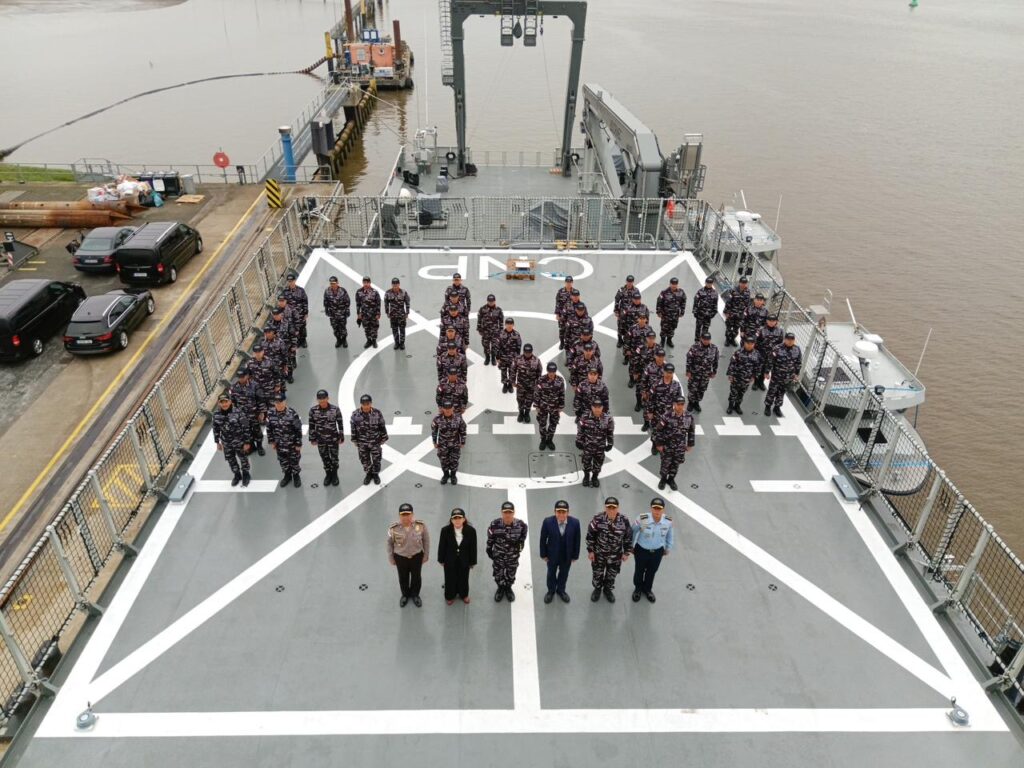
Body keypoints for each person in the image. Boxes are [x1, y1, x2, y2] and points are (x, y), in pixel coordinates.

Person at [586, 497, 633, 602]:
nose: (611, 510)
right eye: (609, 508)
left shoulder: (624, 520)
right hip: (599, 554)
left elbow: (628, 537)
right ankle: (597, 589)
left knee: (612, 574)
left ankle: (607, 589)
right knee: (597, 573)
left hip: (615, 555)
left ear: (618, 508)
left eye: (613, 508)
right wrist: (590, 551)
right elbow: (590, 535)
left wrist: (626, 553)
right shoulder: (598, 518)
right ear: (605, 508)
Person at [631, 497, 675, 603]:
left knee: (652, 571)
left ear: (663, 509)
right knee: (639, 570)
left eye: (659, 508)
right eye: (655, 508)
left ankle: (647, 589)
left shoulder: (668, 521)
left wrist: (668, 547)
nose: (657, 511)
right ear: (651, 508)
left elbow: (670, 535)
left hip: (657, 552)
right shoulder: (642, 519)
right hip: (641, 550)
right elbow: (633, 532)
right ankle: (637, 589)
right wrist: (631, 546)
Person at [387, 503, 429, 607]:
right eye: (403, 514)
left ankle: (415, 595)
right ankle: (405, 595)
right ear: (399, 515)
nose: (406, 517)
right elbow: (389, 543)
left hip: (416, 556)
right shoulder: (393, 528)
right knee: (403, 577)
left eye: (408, 514)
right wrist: (391, 558)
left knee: (416, 577)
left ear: (412, 514)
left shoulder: (421, 526)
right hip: (400, 557)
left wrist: (426, 555)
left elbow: (426, 541)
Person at [538, 500, 580, 603]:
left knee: (564, 574)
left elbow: (577, 540)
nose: (561, 514)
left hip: (567, 555)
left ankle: (561, 590)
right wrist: (543, 554)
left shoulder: (575, 523)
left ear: (568, 512)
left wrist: (575, 555)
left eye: (563, 512)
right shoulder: (547, 522)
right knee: (551, 574)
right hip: (552, 555)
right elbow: (543, 539)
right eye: (559, 512)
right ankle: (551, 591)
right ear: (555, 512)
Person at [486, 501, 528, 602]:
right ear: (501, 512)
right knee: (498, 574)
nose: (507, 515)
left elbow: (522, 538)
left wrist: (519, 547)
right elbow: (490, 540)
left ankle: (508, 588)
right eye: (505, 512)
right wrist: (489, 550)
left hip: (512, 557)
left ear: (514, 512)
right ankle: (500, 588)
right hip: (498, 557)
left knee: (511, 574)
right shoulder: (494, 525)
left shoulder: (521, 525)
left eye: (510, 512)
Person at [436, 508, 477, 604]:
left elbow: (473, 547)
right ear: (451, 520)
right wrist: (441, 560)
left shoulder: (471, 531)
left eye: (459, 518)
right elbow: (442, 546)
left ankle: (464, 594)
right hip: (449, 559)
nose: (457, 520)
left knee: (464, 577)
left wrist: (472, 562)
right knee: (450, 578)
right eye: (455, 518)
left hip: (464, 559)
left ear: (464, 519)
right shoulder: (445, 531)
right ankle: (450, 595)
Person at [654, 396, 695, 490]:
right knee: (665, 464)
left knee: (676, 464)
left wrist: (690, 444)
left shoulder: (689, 417)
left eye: (682, 404)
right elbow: (658, 430)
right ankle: (663, 479)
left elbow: (691, 431)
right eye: (678, 404)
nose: (680, 406)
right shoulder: (666, 416)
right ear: (674, 404)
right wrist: (659, 444)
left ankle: (671, 479)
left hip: (680, 447)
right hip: (667, 446)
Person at [212, 393, 251, 487]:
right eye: (222, 402)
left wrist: (247, 442)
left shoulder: (239, 412)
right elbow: (216, 429)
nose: (224, 404)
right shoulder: (216, 415)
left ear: (230, 402)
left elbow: (246, 426)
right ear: (219, 403)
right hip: (226, 443)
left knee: (243, 458)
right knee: (231, 460)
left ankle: (246, 474)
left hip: (239, 442)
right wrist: (217, 442)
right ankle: (237, 475)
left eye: (226, 402)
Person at [308, 389, 345, 487]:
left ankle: (334, 475)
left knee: (334, 458)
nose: (322, 400)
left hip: (333, 439)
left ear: (328, 398)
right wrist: (312, 438)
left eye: (324, 398)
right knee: (324, 458)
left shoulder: (335, 409)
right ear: (317, 399)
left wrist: (341, 436)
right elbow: (311, 425)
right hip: (320, 439)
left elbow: (340, 423)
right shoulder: (313, 410)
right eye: (320, 398)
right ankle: (328, 475)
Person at [266, 393, 302, 488]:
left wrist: (298, 444)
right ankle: (287, 475)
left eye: (280, 402)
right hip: (279, 444)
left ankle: (296, 476)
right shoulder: (270, 413)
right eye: (276, 402)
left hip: (292, 444)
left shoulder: (292, 413)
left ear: (284, 402)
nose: (278, 404)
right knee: (283, 461)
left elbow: (298, 429)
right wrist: (272, 442)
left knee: (294, 460)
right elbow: (269, 429)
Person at [351, 393, 388, 485]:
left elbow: (382, 426)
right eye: (364, 404)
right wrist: (354, 439)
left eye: (368, 404)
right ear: (361, 404)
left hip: (375, 441)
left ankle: (375, 474)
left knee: (376, 459)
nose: (366, 406)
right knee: (364, 460)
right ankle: (368, 474)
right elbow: (353, 428)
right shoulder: (355, 414)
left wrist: (384, 437)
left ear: (371, 403)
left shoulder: (377, 413)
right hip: (362, 442)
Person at [576, 400, 614, 488]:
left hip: (600, 447)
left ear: (602, 408)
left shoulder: (608, 419)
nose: (597, 409)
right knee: (586, 462)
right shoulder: (585, 417)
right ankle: (586, 476)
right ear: (592, 407)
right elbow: (580, 431)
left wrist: (610, 443)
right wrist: (578, 441)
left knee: (598, 463)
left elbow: (610, 433)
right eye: (595, 407)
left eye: (599, 407)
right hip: (587, 446)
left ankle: (594, 477)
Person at [764, 332, 802, 417]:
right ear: (785, 339)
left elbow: (798, 363)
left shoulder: (797, 349)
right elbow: (770, 361)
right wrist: (767, 372)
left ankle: (777, 407)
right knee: (772, 391)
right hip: (777, 375)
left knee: (782, 392)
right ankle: (768, 406)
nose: (790, 341)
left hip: (788, 376)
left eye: (792, 340)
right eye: (788, 339)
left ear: (794, 340)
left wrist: (796, 374)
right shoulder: (777, 348)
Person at [432, 400, 467, 485]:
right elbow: (434, 431)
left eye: (449, 409)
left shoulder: (458, 418)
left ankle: (453, 476)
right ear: (442, 409)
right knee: (443, 460)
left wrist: (462, 442)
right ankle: (446, 475)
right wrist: (435, 442)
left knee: (454, 460)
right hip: (442, 444)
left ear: (452, 408)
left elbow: (463, 430)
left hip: (455, 444)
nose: (447, 411)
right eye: (446, 409)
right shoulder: (437, 419)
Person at [228, 370, 263, 456]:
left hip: (254, 414)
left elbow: (260, 400)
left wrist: (261, 412)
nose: (241, 379)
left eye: (243, 377)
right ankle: (252, 447)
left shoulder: (255, 385)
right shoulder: (233, 388)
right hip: (242, 416)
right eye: (239, 377)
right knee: (247, 432)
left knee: (257, 431)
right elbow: (233, 403)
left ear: (247, 376)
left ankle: (259, 447)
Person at [533, 361, 565, 451]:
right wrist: (536, 406)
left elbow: (562, 394)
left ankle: (550, 440)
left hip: (555, 407)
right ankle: (543, 440)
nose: (551, 373)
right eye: (550, 371)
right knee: (542, 424)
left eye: (553, 371)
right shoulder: (541, 380)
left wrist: (561, 406)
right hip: (543, 407)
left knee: (553, 424)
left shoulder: (560, 380)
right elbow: (537, 393)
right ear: (547, 371)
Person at [726, 336, 762, 415]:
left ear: (754, 344)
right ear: (744, 343)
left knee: (741, 393)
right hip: (736, 377)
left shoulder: (757, 354)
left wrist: (754, 376)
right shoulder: (738, 352)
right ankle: (730, 406)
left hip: (747, 379)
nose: (749, 345)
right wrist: (730, 375)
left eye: (751, 344)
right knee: (733, 392)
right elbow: (732, 364)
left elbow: (758, 366)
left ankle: (737, 406)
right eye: (748, 343)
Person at [685, 331, 719, 412]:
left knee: (701, 389)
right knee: (692, 389)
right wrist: (688, 371)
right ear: (701, 339)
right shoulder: (694, 347)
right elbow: (689, 359)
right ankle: (691, 403)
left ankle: (697, 402)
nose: (706, 341)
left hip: (706, 375)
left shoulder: (714, 348)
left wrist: (714, 371)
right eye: (704, 339)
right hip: (695, 373)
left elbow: (716, 361)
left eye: (708, 339)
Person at [512, 343, 542, 423]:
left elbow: (539, 373)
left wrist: (537, 385)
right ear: (523, 352)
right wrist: (513, 381)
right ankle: (521, 413)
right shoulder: (518, 359)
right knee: (520, 400)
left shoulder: (536, 361)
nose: (527, 354)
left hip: (531, 386)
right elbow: (513, 370)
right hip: (520, 385)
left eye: (529, 352)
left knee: (529, 401)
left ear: (531, 352)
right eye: (526, 352)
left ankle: (527, 414)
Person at [753, 315, 784, 391]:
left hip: (771, 355)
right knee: (758, 368)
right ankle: (755, 382)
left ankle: (761, 382)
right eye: (770, 320)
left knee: (766, 368)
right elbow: (755, 341)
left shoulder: (780, 331)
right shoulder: (761, 330)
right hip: (761, 353)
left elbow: (780, 343)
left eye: (773, 321)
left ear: (776, 322)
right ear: (767, 321)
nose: (771, 322)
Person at [656, 276, 687, 348]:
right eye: (672, 284)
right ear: (670, 284)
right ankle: (662, 341)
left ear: (677, 284)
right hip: (665, 315)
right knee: (664, 328)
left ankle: (669, 340)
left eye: (675, 284)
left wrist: (682, 311)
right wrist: (658, 312)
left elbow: (683, 302)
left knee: (673, 328)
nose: (674, 285)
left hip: (675, 315)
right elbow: (659, 302)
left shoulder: (681, 292)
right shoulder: (664, 292)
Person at [281, 271, 309, 348]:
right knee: (294, 328)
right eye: (289, 281)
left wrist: (306, 312)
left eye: (292, 281)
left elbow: (305, 301)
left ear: (295, 280)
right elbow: (283, 303)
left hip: (300, 313)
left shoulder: (301, 290)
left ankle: (303, 340)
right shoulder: (285, 292)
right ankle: (298, 341)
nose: (290, 283)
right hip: (291, 315)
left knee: (302, 327)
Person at [323, 275, 351, 348]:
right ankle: (338, 340)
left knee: (343, 327)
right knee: (335, 328)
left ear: (337, 283)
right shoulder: (327, 291)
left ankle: (344, 340)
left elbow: (347, 301)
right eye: (331, 283)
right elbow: (325, 301)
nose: (332, 285)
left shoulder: (343, 290)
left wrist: (347, 310)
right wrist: (326, 310)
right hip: (333, 314)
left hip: (342, 313)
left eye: (334, 283)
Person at [496, 318, 522, 394]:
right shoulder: (501, 334)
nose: (509, 325)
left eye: (511, 324)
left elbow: (519, 347)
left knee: (512, 372)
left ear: (513, 325)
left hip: (513, 358)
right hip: (503, 357)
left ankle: (510, 384)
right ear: (505, 324)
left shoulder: (516, 334)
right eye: (507, 324)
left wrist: (517, 358)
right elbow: (497, 346)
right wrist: (497, 357)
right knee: (503, 371)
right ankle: (505, 384)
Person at [722, 276, 750, 347]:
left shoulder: (747, 292)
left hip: (740, 314)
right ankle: (727, 340)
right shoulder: (733, 290)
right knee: (729, 327)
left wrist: (745, 314)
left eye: (745, 283)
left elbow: (747, 304)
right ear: (739, 283)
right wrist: (726, 312)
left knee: (736, 328)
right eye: (742, 283)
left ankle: (732, 339)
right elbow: (728, 301)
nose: (743, 284)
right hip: (731, 312)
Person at [614, 275, 640, 348]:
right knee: (620, 326)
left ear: (633, 282)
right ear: (626, 281)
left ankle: (628, 340)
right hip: (622, 312)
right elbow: (617, 300)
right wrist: (616, 311)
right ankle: (620, 340)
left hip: (632, 313)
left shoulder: (636, 290)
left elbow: (638, 301)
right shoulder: (621, 290)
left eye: (631, 282)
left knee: (630, 327)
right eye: (628, 282)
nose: (629, 283)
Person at [384, 277, 411, 350]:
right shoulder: (388, 293)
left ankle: (402, 343)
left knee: (402, 329)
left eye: (396, 284)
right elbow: (386, 303)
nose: (395, 286)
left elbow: (407, 303)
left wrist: (407, 312)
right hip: (393, 315)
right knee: (394, 330)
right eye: (394, 284)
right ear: (392, 285)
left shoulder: (404, 292)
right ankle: (396, 343)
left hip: (401, 315)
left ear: (399, 284)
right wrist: (387, 312)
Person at [477, 293, 504, 365]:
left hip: (495, 332)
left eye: (492, 301)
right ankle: (487, 357)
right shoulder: (482, 309)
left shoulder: (498, 310)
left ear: (495, 301)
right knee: (485, 345)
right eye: (489, 301)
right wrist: (479, 329)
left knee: (495, 346)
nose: (491, 303)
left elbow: (501, 321)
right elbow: (479, 319)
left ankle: (493, 358)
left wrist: (501, 331)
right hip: (485, 331)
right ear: (487, 301)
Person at [355, 275, 381, 349]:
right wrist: (358, 313)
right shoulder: (359, 292)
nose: (366, 284)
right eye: (364, 282)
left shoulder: (375, 292)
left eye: (367, 282)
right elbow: (358, 304)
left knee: (374, 328)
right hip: (364, 314)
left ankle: (374, 341)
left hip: (373, 314)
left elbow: (378, 303)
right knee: (366, 328)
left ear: (370, 283)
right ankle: (369, 340)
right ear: (363, 283)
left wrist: (378, 313)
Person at [691, 274, 718, 343]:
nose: (709, 284)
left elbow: (715, 304)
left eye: (710, 283)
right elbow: (696, 302)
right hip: (700, 314)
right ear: (705, 283)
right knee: (698, 328)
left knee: (705, 329)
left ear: (712, 283)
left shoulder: (715, 293)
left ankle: (703, 341)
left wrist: (713, 313)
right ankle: (697, 340)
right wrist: (695, 311)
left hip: (708, 315)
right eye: (707, 283)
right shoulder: (700, 291)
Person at [554, 275, 574, 350]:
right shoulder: (560, 291)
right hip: (562, 315)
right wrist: (557, 314)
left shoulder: (575, 292)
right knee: (562, 330)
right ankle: (562, 343)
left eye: (570, 282)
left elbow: (577, 303)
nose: (568, 283)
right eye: (567, 282)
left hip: (571, 315)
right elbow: (557, 303)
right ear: (565, 282)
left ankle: (568, 343)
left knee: (570, 330)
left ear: (572, 282)